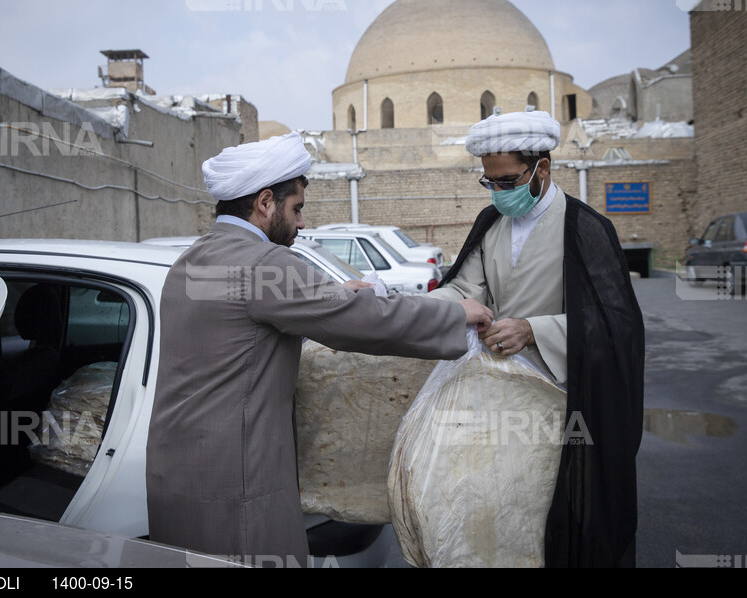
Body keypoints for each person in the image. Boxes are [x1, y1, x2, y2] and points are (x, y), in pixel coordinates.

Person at [146, 131, 492, 567]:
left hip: (177, 472)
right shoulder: (264, 264)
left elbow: (245, 326)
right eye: (297, 209)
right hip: (237, 483)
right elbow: (364, 322)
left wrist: (333, 293)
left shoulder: (193, 259)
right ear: (265, 202)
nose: (303, 224)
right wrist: (455, 314)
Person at [427, 109, 644, 567]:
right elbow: (465, 290)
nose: (499, 192)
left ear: (542, 168)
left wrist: (533, 330)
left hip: (564, 404)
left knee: (560, 516)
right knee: (502, 512)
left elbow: (616, 324)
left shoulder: (586, 229)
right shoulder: (491, 223)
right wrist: (411, 307)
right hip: (497, 398)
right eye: (490, 183)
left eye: (508, 181)